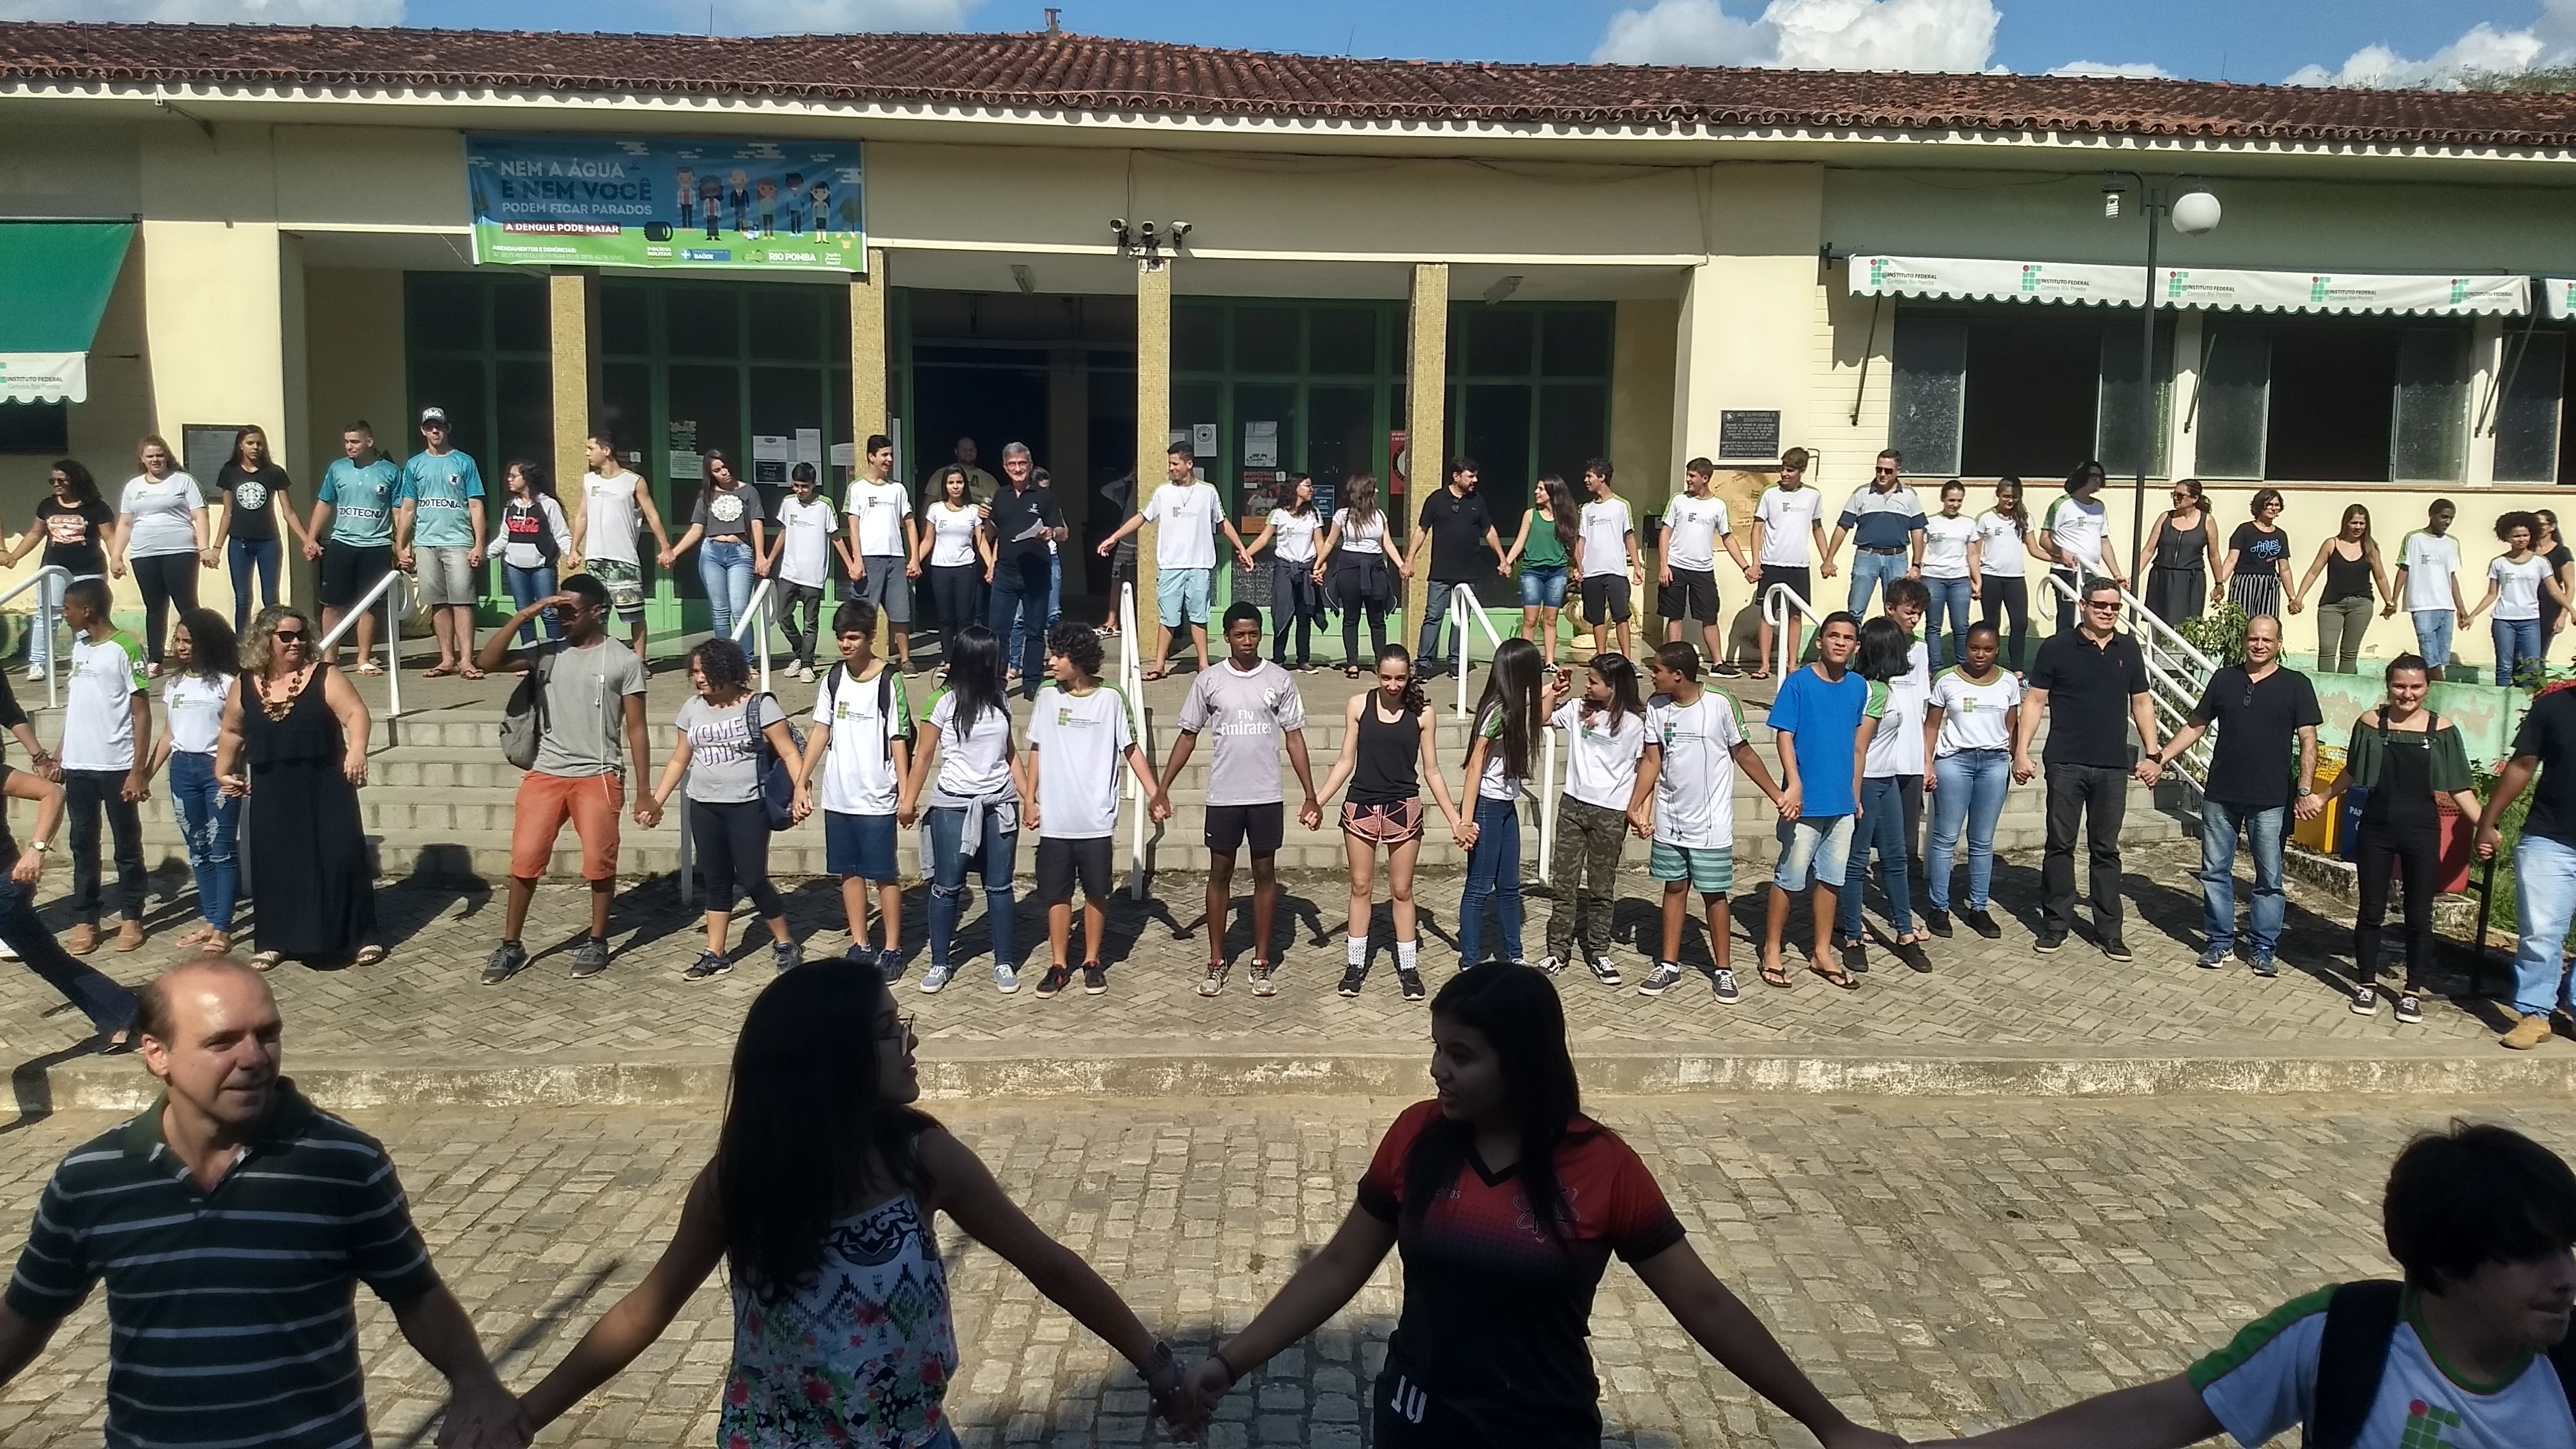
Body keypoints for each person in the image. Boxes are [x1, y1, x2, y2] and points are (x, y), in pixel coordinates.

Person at [1165, 965, 1903, 1449]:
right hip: (1414, 1422)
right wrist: (1230, 1365)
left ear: (1520, 1062)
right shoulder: (1418, 1136)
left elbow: (1705, 1304)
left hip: (1542, 1431)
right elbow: (1337, 1266)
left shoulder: (1604, 1168)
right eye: (1437, 1048)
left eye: (1461, 1054)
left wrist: (1829, 1425)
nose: (1437, 1069)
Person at [508, 967, 1190, 1446]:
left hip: (912, 1438)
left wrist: (1158, 1366)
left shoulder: (922, 1161)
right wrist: (525, 1417)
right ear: (832, 1060)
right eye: (891, 1028)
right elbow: (641, 1312)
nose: (912, 1040)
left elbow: (1049, 1264)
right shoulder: (737, 1184)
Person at [0, 960, 519, 1449]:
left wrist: (476, 1382)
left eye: (267, 1035)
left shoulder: (342, 1162)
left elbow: (416, 1293)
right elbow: (27, 1314)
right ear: (157, 1053)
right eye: (222, 1041)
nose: (253, 1057)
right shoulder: (91, 1178)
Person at [1915, 1123, 2576, 1449]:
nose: (2565, 1278)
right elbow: (2156, 1415)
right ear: (2445, 1260)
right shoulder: (2341, 1337)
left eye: (2567, 1247)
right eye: (2531, 1254)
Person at [475, 575, 652, 986]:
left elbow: (638, 729)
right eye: (558, 610)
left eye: (571, 610)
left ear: (597, 611)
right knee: (524, 859)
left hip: (599, 774)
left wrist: (645, 791)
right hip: (547, 773)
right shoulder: (547, 655)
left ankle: (597, 939)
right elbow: (488, 662)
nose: (563, 617)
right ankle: (511, 944)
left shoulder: (623, 661)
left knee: (599, 863)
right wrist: (525, 615)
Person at [2141, 615, 2322, 977]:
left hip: (2271, 799)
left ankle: (2262, 949)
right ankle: (2220, 942)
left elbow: (2308, 741)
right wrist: (2160, 757)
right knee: (2214, 872)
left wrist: (2305, 789)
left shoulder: (2296, 685)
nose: (2259, 645)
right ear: (2245, 641)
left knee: (2268, 879)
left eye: (2267, 640)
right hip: (2221, 795)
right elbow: (2196, 725)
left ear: (2279, 644)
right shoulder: (2225, 679)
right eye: (2254, 638)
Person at [1162, 602, 1322, 997]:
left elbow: (1295, 738)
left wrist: (1311, 794)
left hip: (1266, 795)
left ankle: (1262, 962)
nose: (1247, 642)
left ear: (1261, 634)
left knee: (1265, 875)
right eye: (1239, 635)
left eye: (1253, 634)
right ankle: (1216, 961)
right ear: (1227, 637)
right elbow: (1187, 736)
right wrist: (1162, 787)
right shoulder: (1209, 681)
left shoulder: (1281, 679)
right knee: (1220, 874)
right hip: (1225, 796)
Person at [217, 606, 383, 972]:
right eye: (286, 637)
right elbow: (232, 731)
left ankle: (361, 936)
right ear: (265, 641)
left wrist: (357, 750)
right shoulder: (245, 683)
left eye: (301, 636)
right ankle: (276, 940)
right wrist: (223, 770)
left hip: (324, 782)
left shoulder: (325, 675)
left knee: (340, 857)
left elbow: (356, 714)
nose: (296, 643)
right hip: (272, 785)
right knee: (276, 863)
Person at [2318, 656, 2478, 1024]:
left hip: (2422, 830)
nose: (2408, 694)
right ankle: (2367, 985)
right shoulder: (2370, 724)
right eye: (2400, 686)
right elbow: (2353, 771)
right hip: (2376, 827)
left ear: (2428, 687)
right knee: (2371, 911)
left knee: (2419, 917)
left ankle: (2411, 992)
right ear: (2388, 686)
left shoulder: (2443, 729)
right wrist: (2323, 798)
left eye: (2416, 687)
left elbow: (2458, 786)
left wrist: (2486, 826)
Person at [2014, 578, 2161, 958]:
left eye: (2115, 607)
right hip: (2065, 762)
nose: (2108, 612)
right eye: (2101, 605)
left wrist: (2153, 752)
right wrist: (2021, 751)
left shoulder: (2128, 648)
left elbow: (2142, 703)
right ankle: (2056, 924)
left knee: (2106, 849)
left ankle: (2109, 931)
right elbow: (2034, 700)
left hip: (2113, 766)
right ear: (2083, 605)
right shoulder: (2057, 647)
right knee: (2060, 845)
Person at [1636, 640, 1789, 1002]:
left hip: (1711, 824)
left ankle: (1723, 970)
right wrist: (1636, 805)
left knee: (1714, 895)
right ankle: (1669, 965)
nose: (1651, 675)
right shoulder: (1656, 707)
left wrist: (1777, 795)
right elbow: (1652, 761)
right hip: (1671, 819)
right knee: (1674, 888)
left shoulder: (1721, 703)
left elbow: (1744, 754)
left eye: (1657, 670)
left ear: (1678, 675)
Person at [1316, 645, 1468, 1002]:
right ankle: (1354, 966)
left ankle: (1409, 967)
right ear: (1377, 674)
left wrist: (1455, 820)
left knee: (1402, 890)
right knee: (1360, 886)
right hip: (1361, 806)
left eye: (1400, 678)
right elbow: (1344, 761)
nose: (1393, 685)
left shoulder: (1423, 713)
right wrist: (1317, 801)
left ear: (1409, 676)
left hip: (1404, 806)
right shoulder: (1358, 705)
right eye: (1386, 677)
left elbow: (1431, 770)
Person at [643, 636, 799, 982]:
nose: (698, 678)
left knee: (753, 878)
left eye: (705, 671)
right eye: (694, 672)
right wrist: (656, 800)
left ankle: (785, 942)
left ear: (726, 669)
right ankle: (716, 953)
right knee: (716, 881)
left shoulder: (759, 706)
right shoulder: (692, 709)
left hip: (748, 805)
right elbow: (680, 759)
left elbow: (789, 752)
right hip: (703, 805)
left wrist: (801, 790)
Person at [1025, 622, 1168, 997]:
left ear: (1079, 659)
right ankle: (1058, 964)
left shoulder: (1112, 697)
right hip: (1055, 819)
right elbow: (1036, 748)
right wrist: (1029, 797)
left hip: (1095, 819)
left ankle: (1091, 961)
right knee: (1056, 895)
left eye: (1059, 655)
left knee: (1095, 892)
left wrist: (1156, 793)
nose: (1051, 662)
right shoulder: (1046, 695)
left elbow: (1131, 749)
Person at [791, 601, 916, 977]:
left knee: (884, 874)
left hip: (877, 796)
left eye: (853, 638)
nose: (846, 645)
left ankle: (893, 948)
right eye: (841, 638)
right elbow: (820, 731)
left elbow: (899, 738)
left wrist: (906, 795)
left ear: (870, 638)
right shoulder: (833, 678)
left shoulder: (888, 679)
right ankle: (860, 944)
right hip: (839, 795)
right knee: (848, 873)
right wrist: (802, 779)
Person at [900, 625, 1023, 994]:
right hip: (954, 805)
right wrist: (908, 802)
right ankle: (940, 961)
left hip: (999, 802)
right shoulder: (943, 701)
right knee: (946, 887)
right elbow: (922, 756)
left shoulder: (1002, 698)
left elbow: (1011, 752)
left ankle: (1004, 961)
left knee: (999, 887)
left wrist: (1029, 796)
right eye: (994, 657)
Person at [0, 717, 135, 1048]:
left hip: (7, 882)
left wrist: (36, 851)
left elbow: (52, 793)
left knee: (43, 955)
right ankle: (122, 1011)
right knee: (45, 958)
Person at [1760, 612, 1875, 991]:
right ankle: (1772, 949)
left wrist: (1854, 796)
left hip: (1841, 804)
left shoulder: (1859, 687)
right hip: (1804, 804)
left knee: (1831, 879)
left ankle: (1822, 951)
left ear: (1856, 647)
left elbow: (1856, 746)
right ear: (1820, 641)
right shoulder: (1798, 684)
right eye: (1833, 636)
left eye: (1847, 638)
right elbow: (1784, 737)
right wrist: (1793, 785)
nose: (1840, 643)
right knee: (1790, 878)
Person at [2474, 663, 2576, 1049]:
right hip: (2550, 838)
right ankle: (2536, 1013)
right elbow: (2522, 765)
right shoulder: (2553, 707)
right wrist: (2488, 820)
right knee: (2541, 932)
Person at [56, 576, 151, 956]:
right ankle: (86, 919)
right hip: (79, 765)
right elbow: (77, 706)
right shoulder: (80, 650)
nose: (64, 616)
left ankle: (131, 916)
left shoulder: (126, 648)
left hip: (115, 765)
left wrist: (137, 769)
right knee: (83, 844)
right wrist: (61, 752)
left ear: (87, 611)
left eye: (67, 610)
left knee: (126, 844)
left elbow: (141, 713)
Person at [1540, 651, 1647, 986]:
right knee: (1565, 884)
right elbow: (1542, 719)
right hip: (1573, 806)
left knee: (1601, 887)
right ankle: (1558, 951)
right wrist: (1555, 692)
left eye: (1593, 681)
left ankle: (1599, 951)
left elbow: (1646, 768)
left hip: (1611, 812)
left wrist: (1641, 809)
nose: (1587, 686)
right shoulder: (1576, 709)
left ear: (1614, 687)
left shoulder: (1635, 723)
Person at [1096, 442, 1241, 682]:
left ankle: (1203, 665)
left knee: (1199, 616)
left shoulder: (1208, 492)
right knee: (1168, 618)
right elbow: (1141, 517)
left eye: (1175, 464)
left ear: (1189, 464)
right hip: (1171, 565)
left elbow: (1223, 523)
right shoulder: (1164, 492)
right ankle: (1159, 665)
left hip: (1200, 564)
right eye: (1170, 464)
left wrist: (1241, 549)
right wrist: (1114, 538)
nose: (1171, 469)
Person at [1920, 621, 2021, 940]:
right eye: (1975, 648)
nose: (1980, 654)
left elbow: (2012, 727)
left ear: (1997, 650)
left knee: (1982, 840)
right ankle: (1938, 907)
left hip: (1994, 763)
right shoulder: (1947, 680)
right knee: (1945, 837)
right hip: (1954, 762)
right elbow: (1932, 726)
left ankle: (1978, 906)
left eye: (1988, 649)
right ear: (1965, 648)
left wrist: (2019, 757)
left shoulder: (2008, 683)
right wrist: (1927, 763)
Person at [149, 609, 240, 956]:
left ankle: (223, 928)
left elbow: (237, 733)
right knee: (198, 849)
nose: (182, 647)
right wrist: (145, 773)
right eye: (178, 640)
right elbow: (169, 735)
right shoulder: (173, 684)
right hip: (182, 770)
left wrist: (235, 770)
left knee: (221, 849)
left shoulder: (228, 683)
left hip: (217, 770)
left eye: (189, 641)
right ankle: (211, 918)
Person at [1838, 615, 1928, 963]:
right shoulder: (1866, 690)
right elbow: (1857, 747)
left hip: (1888, 779)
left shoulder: (1885, 688)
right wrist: (1855, 793)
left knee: (1896, 858)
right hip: (1866, 782)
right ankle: (1852, 936)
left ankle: (1905, 932)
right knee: (1857, 861)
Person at [1456, 638, 1551, 970]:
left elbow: (1541, 715)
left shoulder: (1517, 705)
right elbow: (1475, 766)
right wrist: (1465, 822)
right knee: (1480, 886)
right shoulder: (1498, 712)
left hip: (1506, 804)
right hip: (1486, 806)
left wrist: (1555, 692)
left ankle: (1515, 955)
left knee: (1510, 886)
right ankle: (1470, 959)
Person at [393, 406, 489, 679]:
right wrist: (402, 544)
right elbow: (408, 507)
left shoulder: (464, 462)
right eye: (430, 426)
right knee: (437, 602)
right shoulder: (415, 465)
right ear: (423, 430)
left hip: (459, 540)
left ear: (448, 429)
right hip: (426, 541)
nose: (435, 431)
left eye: (440, 426)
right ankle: (446, 659)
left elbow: (476, 505)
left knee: (463, 601)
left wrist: (479, 543)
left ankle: (467, 660)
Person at [564, 429, 671, 667]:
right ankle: (598, 659)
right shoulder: (589, 481)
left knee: (633, 614)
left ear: (606, 450)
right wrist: (574, 549)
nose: (587, 453)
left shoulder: (633, 481)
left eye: (591, 448)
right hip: (595, 559)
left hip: (623, 559)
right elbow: (582, 516)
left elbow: (652, 515)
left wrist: (666, 548)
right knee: (597, 614)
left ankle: (639, 661)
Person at [3, 458, 115, 685]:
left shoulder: (97, 507)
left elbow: (110, 536)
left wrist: (117, 560)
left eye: (61, 480)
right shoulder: (47, 506)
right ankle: (38, 662)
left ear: (75, 480)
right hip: (54, 567)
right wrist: (14, 556)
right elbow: (36, 534)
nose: (56, 484)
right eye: (52, 480)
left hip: (89, 569)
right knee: (48, 613)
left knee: (86, 615)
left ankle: (83, 661)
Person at [307, 422, 403, 675]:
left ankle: (364, 658)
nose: (349, 447)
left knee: (369, 604)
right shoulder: (337, 469)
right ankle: (329, 658)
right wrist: (311, 538)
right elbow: (325, 503)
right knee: (332, 603)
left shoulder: (390, 472)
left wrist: (402, 545)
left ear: (369, 442)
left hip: (377, 545)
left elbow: (398, 511)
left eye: (355, 442)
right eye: (347, 442)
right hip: (342, 543)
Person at [110, 433, 210, 673]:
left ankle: (198, 654)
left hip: (180, 550)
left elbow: (200, 515)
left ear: (167, 457)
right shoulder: (133, 487)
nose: (156, 460)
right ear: (142, 459)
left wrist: (204, 547)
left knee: (187, 605)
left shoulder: (183, 481)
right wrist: (116, 556)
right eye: (150, 456)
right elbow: (125, 523)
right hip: (144, 553)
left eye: (160, 455)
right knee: (154, 607)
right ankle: (155, 659)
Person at [982, 443, 1071, 696]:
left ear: (1030, 466)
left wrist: (1051, 532)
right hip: (1006, 574)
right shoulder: (1000, 496)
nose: (1018, 469)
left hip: (1037, 574)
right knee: (998, 631)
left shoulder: (1045, 496)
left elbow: (1065, 532)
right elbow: (991, 534)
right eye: (1013, 465)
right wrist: (984, 519)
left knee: (1034, 630)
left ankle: (1032, 683)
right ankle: (997, 682)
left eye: (1022, 464)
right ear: (1005, 468)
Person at [1408, 456, 1510, 677]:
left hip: (1468, 572)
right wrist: (1410, 559)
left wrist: (1503, 558)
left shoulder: (1478, 501)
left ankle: (1457, 661)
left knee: (1462, 619)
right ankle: (1424, 663)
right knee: (1433, 616)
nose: (1475, 480)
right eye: (1470, 476)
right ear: (1456, 477)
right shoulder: (1436, 500)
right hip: (1441, 572)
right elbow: (1422, 530)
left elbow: (1489, 531)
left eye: (1476, 476)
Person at [658, 448, 764, 645]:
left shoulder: (749, 491)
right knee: (719, 610)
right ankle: (724, 661)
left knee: (740, 609)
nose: (724, 472)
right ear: (711, 474)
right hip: (712, 552)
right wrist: (674, 553)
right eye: (717, 470)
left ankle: (746, 662)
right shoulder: (706, 495)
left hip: (740, 552)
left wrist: (761, 555)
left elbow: (757, 523)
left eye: (725, 467)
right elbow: (696, 530)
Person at [1659, 456, 1754, 676]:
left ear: (1705, 478)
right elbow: (1665, 532)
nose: (1688, 480)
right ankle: (1675, 662)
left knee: (1709, 616)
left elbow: (1728, 538)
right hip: (1676, 567)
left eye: (1692, 476)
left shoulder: (1718, 506)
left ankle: (1718, 664)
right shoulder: (1678, 501)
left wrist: (1745, 567)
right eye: (1688, 475)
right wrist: (1664, 565)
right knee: (1674, 616)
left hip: (1703, 570)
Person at [210, 424, 309, 634]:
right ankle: (242, 645)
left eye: (260, 443)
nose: (256, 447)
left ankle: (272, 640)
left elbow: (288, 512)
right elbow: (227, 513)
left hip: (268, 542)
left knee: (271, 598)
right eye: (250, 443)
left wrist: (307, 540)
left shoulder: (274, 473)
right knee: (243, 598)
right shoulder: (230, 472)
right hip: (239, 543)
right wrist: (216, 548)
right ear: (240, 446)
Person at [839, 433, 919, 673]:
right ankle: (863, 659)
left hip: (895, 558)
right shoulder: (857, 488)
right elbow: (853, 525)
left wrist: (914, 557)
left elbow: (911, 524)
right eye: (884, 455)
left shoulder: (898, 489)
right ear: (871, 457)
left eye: (891, 454)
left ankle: (905, 660)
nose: (889, 459)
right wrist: (857, 560)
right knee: (864, 612)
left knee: (900, 611)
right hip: (869, 559)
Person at [1748, 447, 1830, 680]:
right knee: (1767, 614)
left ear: (1802, 471)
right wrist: (1756, 563)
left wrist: (1827, 559)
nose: (1784, 474)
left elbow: (1818, 528)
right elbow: (1757, 527)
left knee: (1796, 615)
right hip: (1772, 562)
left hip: (1798, 565)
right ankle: (1764, 665)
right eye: (1782, 469)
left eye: (1790, 470)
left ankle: (1792, 664)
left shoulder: (1813, 495)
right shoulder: (1770, 493)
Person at [2467, 510, 2567, 690]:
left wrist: (2570, 610)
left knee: (2532, 666)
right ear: (2507, 537)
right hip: (2504, 620)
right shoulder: (2499, 563)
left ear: (2532, 535)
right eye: (2516, 536)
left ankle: (2528, 706)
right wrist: (2472, 615)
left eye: (2525, 535)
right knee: (2505, 666)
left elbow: (2554, 589)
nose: (2521, 539)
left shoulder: (2540, 562)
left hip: (2530, 621)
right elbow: (2492, 594)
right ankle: (2502, 702)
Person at [1825, 448, 1926, 620]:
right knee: (1856, 611)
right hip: (1867, 557)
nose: (1882, 474)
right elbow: (1843, 526)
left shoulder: (1910, 495)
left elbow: (1918, 531)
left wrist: (1917, 564)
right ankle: (1856, 646)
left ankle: (1893, 646)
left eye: (1888, 471)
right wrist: (1829, 559)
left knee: (1897, 612)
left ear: (1898, 471)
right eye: (1879, 469)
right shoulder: (1861, 493)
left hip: (1897, 558)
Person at [1315, 471, 1399, 675]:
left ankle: (1381, 664)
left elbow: (1387, 543)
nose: (1378, 491)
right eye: (1374, 488)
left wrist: (1402, 565)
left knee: (1377, 620)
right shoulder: (1342, 515)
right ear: (1366, 492)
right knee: (1350, 618)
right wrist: (1318, 564)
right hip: (1350, 569)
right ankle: (1352, 662)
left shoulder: (1380, 516)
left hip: (1375, 569)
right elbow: (1330, 542)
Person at [2294, 503, 2393, 674]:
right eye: (2354, 523)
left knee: (2349, 652)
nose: (2358, 527)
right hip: (2331, 604)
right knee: (2327, 649)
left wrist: (2389, 601)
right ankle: (2325, 691)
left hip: (2361, 604)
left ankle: (2343, 694)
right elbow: (2313, 572)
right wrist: (2299, 597)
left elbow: (2381, 577)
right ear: (2346, 523)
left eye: (2362, 523)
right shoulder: (2331, 544)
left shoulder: (2370, 547)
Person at [1242, 473, 1326, 670]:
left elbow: (1320, 542)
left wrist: (1321, 565)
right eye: (1308, 486)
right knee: (1282, 614)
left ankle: (1303, 659)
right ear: (1296, 488)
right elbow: (1264, 539)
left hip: (1306, 569)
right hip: (1285, 569)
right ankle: (1278, 658)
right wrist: (1247, 554)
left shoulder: (1314, 514)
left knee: (1304, 615)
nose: (1311, 489)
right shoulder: (1278, 513)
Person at [487, 460, 573, 647]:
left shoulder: (548, 504)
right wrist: (484, 555)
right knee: (523, 614)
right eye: (508, 476)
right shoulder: (510, 505)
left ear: (527, 478)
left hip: (542, 568)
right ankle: (530, 656)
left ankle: (558, 653)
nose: (509, 480)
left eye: (514, 476)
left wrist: (571, 553)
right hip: (515, 568)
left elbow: (562, 534)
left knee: (549, 612)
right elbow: (504, 538)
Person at [767, 462, 836, 680]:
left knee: (810, 622)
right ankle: (800, 653)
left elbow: (835, 536)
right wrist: (770, 560)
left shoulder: (825, 505)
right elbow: (784, 532)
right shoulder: (788, 502)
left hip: (813, 575)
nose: (799, 490)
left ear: (814, 485)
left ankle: (807, 664)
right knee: (783, 617)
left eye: (804, 486)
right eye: (796, 485)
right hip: (789, 572)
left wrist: (852, 563)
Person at [2037, 463, 2124, 633]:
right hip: (2067, 571)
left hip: (2092, 572)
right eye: (2093, 476)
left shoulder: (2099, 507)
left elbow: (2104, 541)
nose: (2097, 480)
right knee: (2069, 617)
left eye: (2100, 477)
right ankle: (2065, 656)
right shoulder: (2062, 504)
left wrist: (2117, 574)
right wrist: (2062, 552)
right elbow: (2044, 539)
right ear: (2082, 476)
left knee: (2091, 617)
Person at [919, 464, 992, 667]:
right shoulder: (936, 510)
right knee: (945, 618)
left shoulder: (973, 511)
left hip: (966, 569)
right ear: (945, 486)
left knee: (965, 618)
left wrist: (990, 566)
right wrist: (915, 561)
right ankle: (949, 660)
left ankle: (965, 660)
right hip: (941, 569)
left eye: (959, 482)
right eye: (951, 483)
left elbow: (982, 543)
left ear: (964, 485)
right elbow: (928, 540)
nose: (955, 487)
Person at [2388, 497, 2467, 681]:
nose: (2447, 522)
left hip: (2445, 606)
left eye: (2451, 518)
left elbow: (2452, 577)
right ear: (2431, 515)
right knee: (2428, 651)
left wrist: (2461, 607)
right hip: (2421, 604)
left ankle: (2431, 686)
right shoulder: (2414, 538)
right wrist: (2394, 599)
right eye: (2444, 517)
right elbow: (2404, 569)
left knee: (2441, 656)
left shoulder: (2452, 543)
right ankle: (2437, 685)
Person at [1503, 475, 1579, 667]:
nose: (1536, 493)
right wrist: (1507, 562)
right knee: (1530, 619)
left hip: (1557, 573)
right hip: (1532, 572)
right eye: (1537, 489)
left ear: (1553, 493)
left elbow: (1574, 544)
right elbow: (1520, 541)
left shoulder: (1565, 518)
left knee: (1551, 619)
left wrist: (1580, 567)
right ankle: (1524, 662)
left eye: (1541, 489)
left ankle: (1550, 661)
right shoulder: (1531, 515)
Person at [1573, 458, 1640, 663]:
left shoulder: (1621, 506)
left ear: (1602, 478)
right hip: (1592, 572)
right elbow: (1581, 540)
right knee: (1597, 618)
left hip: (1616, 571)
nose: (1586, 480)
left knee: (1621, 616)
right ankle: (1601, 658)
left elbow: (1629, 536)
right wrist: (1579, 566)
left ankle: (1626, 660)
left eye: (1590, 476)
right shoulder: (1586, 509)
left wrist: (1637, 567)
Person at [2136, 478, 2220, 631]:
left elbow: (2213, 555)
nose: (2175, 499)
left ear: (2195, 498)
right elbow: (2149, 550)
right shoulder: (2165, 517)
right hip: (2162, 576)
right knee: (2158, 624)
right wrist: (2133, 577)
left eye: (2180, 495)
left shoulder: (2207, 521)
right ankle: (2156, 654)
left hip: (2190, 579)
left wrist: (2219, 583)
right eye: (2173, 495)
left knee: (2187, 626)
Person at [1918, 479, 1980, 668]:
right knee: (1933, 626)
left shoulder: (1969, 524)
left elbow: (1973, 554)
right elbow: (1920, 549)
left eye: (1959, 501)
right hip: (1933, 577)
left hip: (1959, 579)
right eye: (1951, 500)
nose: (1955, 505)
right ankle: (1935, 668)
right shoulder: (1929, 522)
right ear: (1943, 499)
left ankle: (1963, 666)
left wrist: (1977, 580)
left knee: (1961, 627)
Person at [1977, 476, 2036, 672]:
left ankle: (2018, 669)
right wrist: (1975, 580)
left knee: (2020, 623)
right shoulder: (1985, 518)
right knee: (1991, 623)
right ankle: (1991, 665)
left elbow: (2034, 549)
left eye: (2014, 497)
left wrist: (2059, 556)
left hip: (2015, 578)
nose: (2010, 501)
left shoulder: (2024, 518)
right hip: (1991, 577)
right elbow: (1975, 552)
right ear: (1998, 495)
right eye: (2006, 496)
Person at [2216, 487, 2297, 623]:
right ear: (2260, 506)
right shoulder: (2244, 530)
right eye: (2269, 504)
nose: (2273, 508)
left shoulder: (2280, 535)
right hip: (2245, 581)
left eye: (2277, 505)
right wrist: (2220, 583)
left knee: (2267, 623)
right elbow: (2231, 560)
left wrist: (2292, 597)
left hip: (2269, 584)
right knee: (2240, 622)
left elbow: (2284, 568)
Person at [921, 433, 999, 505]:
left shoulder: (988, 479)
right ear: (956, 452)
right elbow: (928, 503)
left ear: (976, 451)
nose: (968, 452)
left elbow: (999, 505)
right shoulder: (941, 474)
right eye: (964, 450)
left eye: (971, 450)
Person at [2542, 507, 2576, 664]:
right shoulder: (2527, 550)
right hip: (2526, 606)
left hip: (2550, 607)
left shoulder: (2561, 552)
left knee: (2539, 653)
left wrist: (2563, 616)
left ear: (2552, 527)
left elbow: (2570, 586)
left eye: (2541, 524)